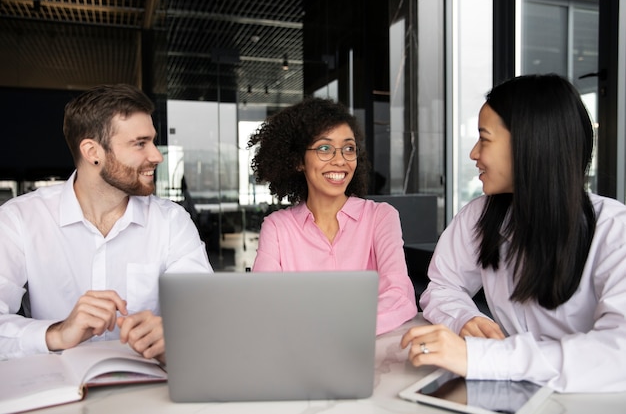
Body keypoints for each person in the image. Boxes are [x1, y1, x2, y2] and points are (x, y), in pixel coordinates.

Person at [400, 74, 626, 393]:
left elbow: (618, 354)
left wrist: (485, 357)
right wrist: (463, 319)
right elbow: (442, 286)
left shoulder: (615, 230)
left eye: (485, 138)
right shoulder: (479, 216)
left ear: (530, 143)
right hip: (509, 392)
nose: (473, 153)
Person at [0, 84, 213, 362]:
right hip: (57, 391)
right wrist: (57, 333)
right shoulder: (20, 220)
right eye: (140, 143)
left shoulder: (171, 221)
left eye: (152, 141)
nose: (157, 156)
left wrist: (176, 335)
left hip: (149, 393)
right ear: (92, 152)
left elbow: (206, 313)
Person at [247, 97, 417, 335]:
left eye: (349, 148)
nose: (340, 160)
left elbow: (399, 296)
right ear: (298, 161)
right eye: (324, 148)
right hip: (299, 357)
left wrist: (343, 330)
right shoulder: (277, 228)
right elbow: (263, 303)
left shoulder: (381, 217)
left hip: (371, 355)